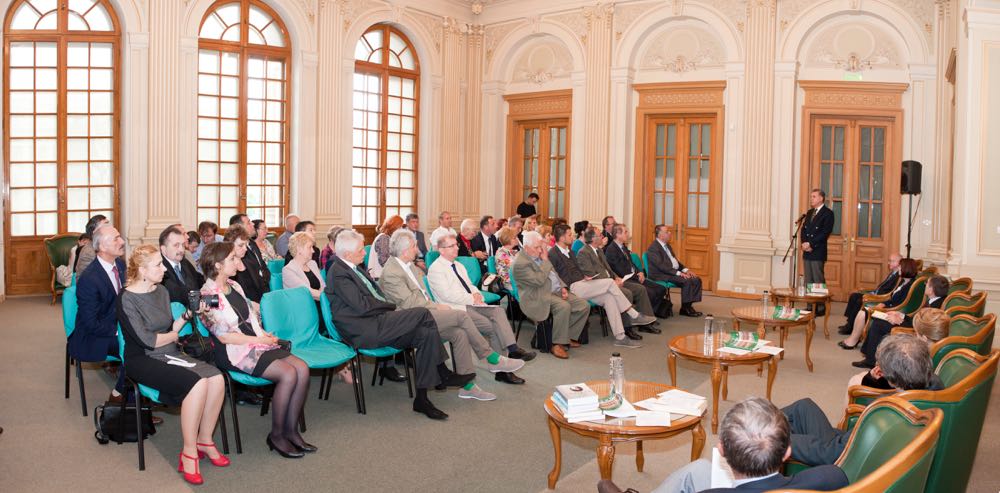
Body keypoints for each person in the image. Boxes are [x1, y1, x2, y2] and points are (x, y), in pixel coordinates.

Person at [117, 244, 226, 485]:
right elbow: (148, 341)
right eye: (158, 265)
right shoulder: (126, 299)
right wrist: (173, 337)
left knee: (217, 379)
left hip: (168, 351)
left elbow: (168, 329)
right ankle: (188, 452)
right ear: (143, 270)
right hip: (142, 359)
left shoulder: (161, 291)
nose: (163, 270)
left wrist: (189, 314)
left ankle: (205, 440)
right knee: (197, 384)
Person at [199, 242, 314, 458]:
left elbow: (250, 319)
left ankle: (291, 431)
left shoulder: (235, 286)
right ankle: (277, 435)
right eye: (232, 258)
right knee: (288, 374)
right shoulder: (207, 295)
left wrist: (264, 335)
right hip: (233, 351)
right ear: (217, 266)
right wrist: (259, 338)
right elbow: (223, 336)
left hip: (255, 342)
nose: (238, 262)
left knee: (302, 368)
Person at [379, 230, 525, 401]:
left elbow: (424, 295)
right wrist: (438, 306)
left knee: (459, 333)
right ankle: (491, 357)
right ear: (404, 251)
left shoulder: (410, 266)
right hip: (411, 319)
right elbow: (411, 303)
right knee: (461, 317)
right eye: (414, 246)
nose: (418, 249)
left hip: (426, 313)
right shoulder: (392, 272)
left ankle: (468, 386)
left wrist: (469, 297)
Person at [325, 229, 452, 420]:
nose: (365, 252)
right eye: (360, 250)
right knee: (423, 313)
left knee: (425, 334)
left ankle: (422, 399)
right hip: (363, 329)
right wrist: (390, 305)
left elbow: (371, 299)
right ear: (347, 254)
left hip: (377, 321)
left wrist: (384, 305)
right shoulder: (338, 272)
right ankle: (442, 371)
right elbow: (363, 307)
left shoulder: (353, 267)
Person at [598, 397, 848, 493]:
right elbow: (836, 473)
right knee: (699, 469)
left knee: (697, 470)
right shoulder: (831, 477)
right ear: (787, 452)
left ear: (723, 451)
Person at [783, 334, 943, 466]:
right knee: (803, 406)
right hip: (849, 442)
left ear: (892, 379)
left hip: (840, 458)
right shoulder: (934, 385)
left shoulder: (884, 413)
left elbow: (831, 455)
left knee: (780, 432)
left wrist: (777, 440)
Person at [429, 233, 536, 369]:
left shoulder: (458, 265)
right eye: (452, 246)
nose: (456, 248)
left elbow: (470, 285)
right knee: (492, 326)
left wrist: (477, 294)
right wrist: (472, 298)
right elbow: (447, 295)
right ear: (441, 250)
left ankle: (513, 349)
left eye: (456, 244)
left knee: (498, 311)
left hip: (471, 303)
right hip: (457, 308)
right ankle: (501, 368)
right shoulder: (436, 269)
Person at [548, 224, 655, 347]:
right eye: (569, 234)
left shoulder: (570, 252)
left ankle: (620, 337)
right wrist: (564, 287)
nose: (572, 236)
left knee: (609, 298)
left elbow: (577, 270)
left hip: (583, 284)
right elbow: (555, 276)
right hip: (572, 287)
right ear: (561, 238)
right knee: (610, 282)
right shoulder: (553, 253)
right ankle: (633, 314)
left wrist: (585, 276)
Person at [511, 231, 592, 359]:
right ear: (526, 247)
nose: (540, 250)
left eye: (540, 247)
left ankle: (568, 336)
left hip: (555, 290)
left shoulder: (538, 255)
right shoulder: (520, 263)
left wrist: (563, 287)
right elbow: (539, 280)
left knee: (584, 305)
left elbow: (554, 274)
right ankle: (557, 344)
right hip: (537, 295)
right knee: (563, 307)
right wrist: (545, 261)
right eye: (536, 247)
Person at [70, 223, 128, 402]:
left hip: (116, 326)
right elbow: (91, 323)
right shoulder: (89, 279)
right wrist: (120, 332)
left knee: (148, 343)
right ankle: (121, 399)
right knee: (136, 349)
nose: (122, 241)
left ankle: (134, 402)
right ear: (102, 247)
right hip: (93, 335)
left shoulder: (119, 264)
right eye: (116, 238)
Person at [851, 275, 949, 369]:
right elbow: (917, 318)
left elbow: (923, 326)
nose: (925, 285)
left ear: (931, 290)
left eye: (927, 284)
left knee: (878, 324)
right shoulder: (933, 299)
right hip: (914, 325)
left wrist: (899, 321)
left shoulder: (936, 305)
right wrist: (901, 315)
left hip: (916, 330)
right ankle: (870, 357)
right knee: (879, 319)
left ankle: (870, 361)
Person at [847, 307, 950, 391]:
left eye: (916, 332)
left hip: (904, 395)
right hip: (924, 391)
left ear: (924, 338)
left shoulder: (915, 355)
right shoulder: (947, 352)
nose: (914, 335)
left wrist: (873, 377)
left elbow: (899, 381)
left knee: (855, 380)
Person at [577, 226, 659, 326]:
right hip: (601, 285)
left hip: (612, 281)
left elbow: (609, 269)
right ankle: (627, 326)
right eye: (600, 235)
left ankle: (645, 323)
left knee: (640, 289)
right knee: (627, 293)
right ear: (594, 239)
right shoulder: (583, 253)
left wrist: (616, 277)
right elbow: (592, 275)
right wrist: (611, 282)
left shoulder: (599, 250)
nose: (603, 236)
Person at [839, 258, 919, 351]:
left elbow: (900, 304)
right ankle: (853, 339)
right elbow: (891, 298)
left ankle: (853, 341)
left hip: (894, 312)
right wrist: (883, 303)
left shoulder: (911, 285)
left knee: (864, 313)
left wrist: (886, 308)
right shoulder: (903, 282)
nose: (899, 269)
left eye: (900, 267)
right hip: (890, 308)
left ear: (906, 268)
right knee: (863, 311)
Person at [606, 223, 672, 319]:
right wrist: (637, 276)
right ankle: (646, 318)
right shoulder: (611, 249)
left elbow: (631, 264)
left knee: (660, 289)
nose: (628, 234)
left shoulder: (623, 246)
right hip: (625, 279)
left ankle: (651, 311)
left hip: (634, 276)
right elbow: (620, 270)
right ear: (618, 235)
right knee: (649, 292)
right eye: (625, 232)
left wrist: (640, 272)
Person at [645, 224, 703, 317]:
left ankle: (688, 305)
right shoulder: (653, 248)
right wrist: (680, 274)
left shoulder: (667, 245)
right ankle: (685, 309)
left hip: (671, 272)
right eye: (667, 232)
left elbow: (675, 262)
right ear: (660, 235)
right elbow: (661, 266)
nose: (670, 233)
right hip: (660, 274)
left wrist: (686, 270)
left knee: (696, 279)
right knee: (686, 281)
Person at [840, 253, 902, 334]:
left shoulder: (899, 275)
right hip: (875, 293)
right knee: (854, 296)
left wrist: (874, 295)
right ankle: (850, 323)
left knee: (859, 300)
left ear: (899, 263)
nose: (889, 263)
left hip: (879, 298)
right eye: (889, 261)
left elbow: (890, 293)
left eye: (892, 261)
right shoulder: (893, 272)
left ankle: (850, 327)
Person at [801, 189, 835, 315]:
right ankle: (810, 305)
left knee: (818, 280)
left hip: (817, 250)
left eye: (814, 196)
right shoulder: (810, 212)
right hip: (807, 250)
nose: (811, 199)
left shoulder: (828, 213)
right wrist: (804, 243)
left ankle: (820, 308)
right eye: (811, 196)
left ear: (821, 198)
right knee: (808, 279)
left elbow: (825, 233)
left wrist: (811, 244)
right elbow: (803, 230)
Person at [160, 225, 205, 305]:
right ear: (163, 249)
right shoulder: (160, 268)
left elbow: (200, 280)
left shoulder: (184, 262)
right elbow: (176, 295)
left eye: (183, 245)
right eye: (176, 245)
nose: (181, 249)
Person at [283, 232, 325, 316]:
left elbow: (323, 285)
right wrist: (330, 298)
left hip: (320, 305)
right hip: (303, 312)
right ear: (299, 249)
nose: (313, 251)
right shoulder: (288, 270)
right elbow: (308, 292)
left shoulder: (312, 263)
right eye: (310, 247)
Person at [225, 226, 268, 304]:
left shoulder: (250, 263)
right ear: (229, 245)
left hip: (260, 305)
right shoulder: (225, 270)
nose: (245, 248)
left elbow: (262, 288)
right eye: (241, 245)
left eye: (246, 245)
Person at [232, 215, 271, 296]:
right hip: (250, 293)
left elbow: (262, 264)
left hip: (264, 288)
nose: (253, 224)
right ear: (240, 227)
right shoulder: (238, 252)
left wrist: (265, 280)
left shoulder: (252, 243)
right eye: (248, 222)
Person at [367, 215, 403, 279]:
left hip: (386, 275)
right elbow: (384, 262)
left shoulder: (388, 238)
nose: (401, 229)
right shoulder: (383, 238)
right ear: (394, 227)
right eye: (400, 227)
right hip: (380, 277)